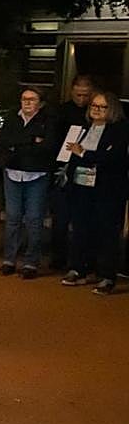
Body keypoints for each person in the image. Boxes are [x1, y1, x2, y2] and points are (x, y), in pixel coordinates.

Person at [59, 90, 128, 295]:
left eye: (102, 106)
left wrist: (84, 153)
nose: (97, 110)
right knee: (80, 228)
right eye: (94, 106)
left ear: (112, 109)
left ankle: (107, 275)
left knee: (107, 232)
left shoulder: (120, 130)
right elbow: (70, 153)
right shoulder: (83, 127)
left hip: (108, 189)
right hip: (81, 186)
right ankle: (79, 269)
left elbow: (113, 157)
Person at [0, 87, 55, 278]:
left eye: (32, 99)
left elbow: (48, 146)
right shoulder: (12, 118)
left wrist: (19, 145)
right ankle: (9, 259)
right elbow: (4, 140)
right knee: (12, 217)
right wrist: (31, 140)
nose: (27, 102)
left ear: (41, 102)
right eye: (24, 98)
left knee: (34, 218)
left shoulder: (48, 120)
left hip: (37, 174)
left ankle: (31, 262)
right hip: (13, 171)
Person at [49, 75, 95, 270]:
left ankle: (83, 260)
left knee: (84, 219)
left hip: (87, 169)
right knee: (60, 218)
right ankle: (58, 257)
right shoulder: (61, 112)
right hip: (62, 170)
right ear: (72, 91)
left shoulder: (95, 113)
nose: (82, 99)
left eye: (86, 95)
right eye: (78, 95)